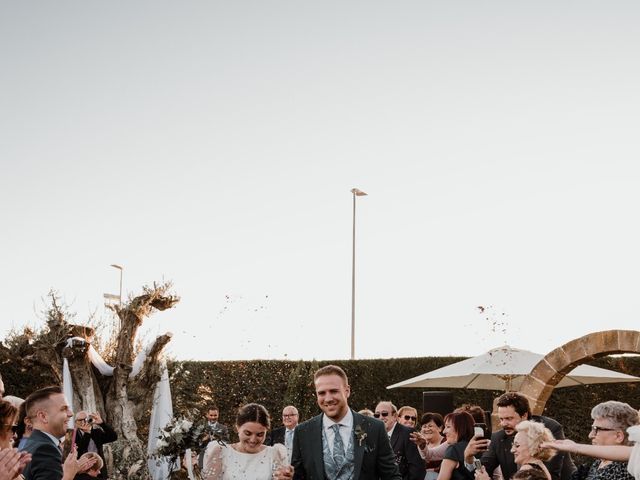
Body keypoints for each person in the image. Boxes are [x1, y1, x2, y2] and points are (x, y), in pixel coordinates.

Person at [291, 364, 402, 479]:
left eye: (334, 391)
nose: (328, 398)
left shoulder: (374, 428)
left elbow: (392, 476)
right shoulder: (303, 432)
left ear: (347, 391)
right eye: (322, 393)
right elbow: (297, 476)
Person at [464, 392, 575, 480]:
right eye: (501, 419)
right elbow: (483, 470)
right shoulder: (498, 437)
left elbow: (552, 473)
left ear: (524, 415)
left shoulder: (546, 429)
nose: (503, 424)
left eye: (509, 418)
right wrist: (469, 458)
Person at [542, 401, 638, 480]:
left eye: (597, 429)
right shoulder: (598, 463)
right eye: (592, 429)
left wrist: (576, 447)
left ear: (618, 436)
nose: (590, 435)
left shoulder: (627, 469)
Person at [201, 403, 293, 480]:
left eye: (260, 434)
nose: (253, 440)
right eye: (248, 433)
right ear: (237, 428)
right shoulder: (221, 452)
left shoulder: (274, 453)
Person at [20, 386, 95, 480]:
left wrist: (72, 470)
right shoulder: (45, 449)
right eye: (64, 409)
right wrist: (69, 476)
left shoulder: (32, 444)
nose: (71, 413)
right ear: (43, 416)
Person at [475, 421, 554, 480]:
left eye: (517, 445)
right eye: (513, 445)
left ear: (535, 446)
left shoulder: (528, 471)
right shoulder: (540, 467)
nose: (512, 450)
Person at [375, 401, 425, 480]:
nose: (381, 417)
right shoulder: (375, 435)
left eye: (384, 414)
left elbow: (417, 468)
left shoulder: (408, 433)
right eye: (377, 415)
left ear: (395, 416)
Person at [72, 411, 117, 480]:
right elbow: (78, 449)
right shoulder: (71, 434)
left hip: (99, 471)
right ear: (75, 422)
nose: (83, 422)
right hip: (82, 473)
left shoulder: (97, 432)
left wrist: (102, 423)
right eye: (80, 420)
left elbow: (113, 437)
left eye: (85, 419)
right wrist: (87, 433)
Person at [437, 410, 476, 480]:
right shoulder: (482, 446)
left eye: (448, 427)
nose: (444, 431)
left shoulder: (453, 449)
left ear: (460, 428)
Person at [413, 413, 446, 480]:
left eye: (430, 426)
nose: (427, 429)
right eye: (424, 426)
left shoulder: (446, 443)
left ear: (440, 428)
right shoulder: (420, 443)